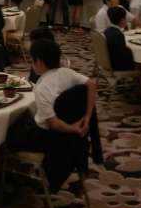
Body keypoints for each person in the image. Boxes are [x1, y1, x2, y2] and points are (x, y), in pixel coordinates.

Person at [6, 39, 97, 192]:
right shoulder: (66, 72)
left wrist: (74, 129)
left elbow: (53, 124)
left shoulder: (42, 88)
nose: (32, 64)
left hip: (48, 137)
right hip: (68, 136)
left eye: (32, 60)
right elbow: (91, 83)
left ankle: (5, 180)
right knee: (24, 117)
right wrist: (88, 117)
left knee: (6, 136)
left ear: (39, 62)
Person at [105, 6, 136, 71]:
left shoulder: (107, 31)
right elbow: (122, 55)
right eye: (125, 18)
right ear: (122, 20)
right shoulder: (118, 35)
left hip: (108, 63)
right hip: (118, 66)